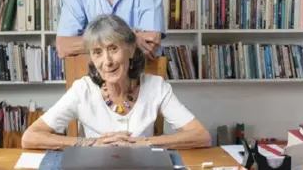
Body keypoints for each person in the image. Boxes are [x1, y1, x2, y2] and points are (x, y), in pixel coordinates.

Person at [22, 14, 211, 150]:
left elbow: (201, 136)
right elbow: (30, 137)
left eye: (113, 48)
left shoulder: (156, 87)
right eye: (97, 52)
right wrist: (89, 143)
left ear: (130, 49)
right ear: (92, 60)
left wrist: (142, 143)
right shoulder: (82, 90)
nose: (107, 61)